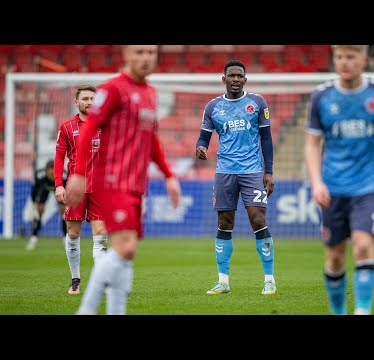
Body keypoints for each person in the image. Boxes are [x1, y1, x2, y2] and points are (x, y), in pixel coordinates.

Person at [66, 45, 181, 315]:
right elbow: (89, 129)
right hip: (111, 181)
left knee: (127, 255)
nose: (146, 58)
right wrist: (79, 174)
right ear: (127, 54)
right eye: (139, 52)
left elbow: (151, 139)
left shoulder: (150, 93)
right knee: (125, 249)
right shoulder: (113, 89)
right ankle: (86, 309)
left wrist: (169, 175)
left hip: (135, 185)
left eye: (151, 52)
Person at [304, 45, 374, 315]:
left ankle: (362, 311)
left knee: (363, 245)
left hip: (369, 187)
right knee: (335, 257)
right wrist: (316, 182)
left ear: (363, 60)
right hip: (333, 188)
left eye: (350, 57)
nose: (344, 62)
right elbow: (312, 144)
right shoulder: (321, 97)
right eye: (339, 57)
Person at [195, 59, 276, 296]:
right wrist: (200, 147)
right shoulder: (213, 107)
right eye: (232, 76)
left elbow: (267, 139)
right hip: (224, 171)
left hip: (252, 171)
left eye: (240, 76)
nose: (236, 79)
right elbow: (203, 137)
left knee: (258, 220)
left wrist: (268, 171)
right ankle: (223, 282)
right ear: (224, 79)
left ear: (245, 79)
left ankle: (269, 279)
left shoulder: (257, 103)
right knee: (224, 224)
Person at [54, 85, 108, 295]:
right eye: (85, 98)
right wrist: (59, 184)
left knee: (101, 234)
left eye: (93, 98)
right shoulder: (67, 127)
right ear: (77, 102)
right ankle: (75, 279)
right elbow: (59, 158)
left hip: (100, 189)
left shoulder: (106, 125)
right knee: (73, 233)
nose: (89, 102)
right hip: (75, 188)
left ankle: (101, 281)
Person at [26, 159, 67, 250]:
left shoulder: (64, 176)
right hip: (44, 189)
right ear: (46, 171)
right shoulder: (40, 176)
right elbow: (35, 190)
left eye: (54, 174)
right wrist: (34, 203)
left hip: (60, 187)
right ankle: (33, 238)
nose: (52, 176)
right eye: (50, 174)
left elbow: (67, 190)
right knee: (39, 212)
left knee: (64, 212)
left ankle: (66, 239)